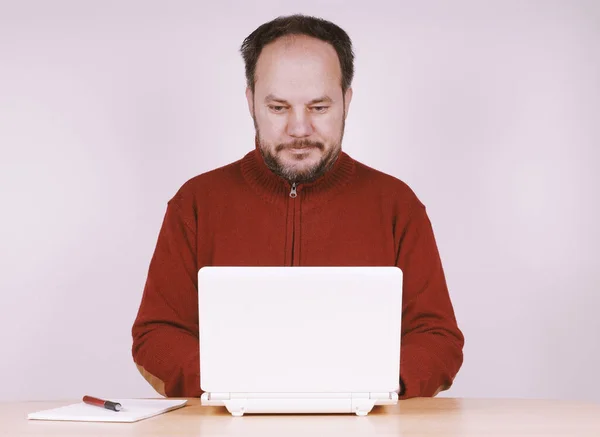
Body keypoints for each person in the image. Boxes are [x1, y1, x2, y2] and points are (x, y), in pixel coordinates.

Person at [131, 13, 464, 399]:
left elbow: (438, 339)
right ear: (250, 102)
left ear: (347, 101)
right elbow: (156, 336)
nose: (299, 129)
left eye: (319, 107)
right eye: (278, 108)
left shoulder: (397, 205)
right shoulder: (195, 203)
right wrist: (239, 383)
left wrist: (365, 385)